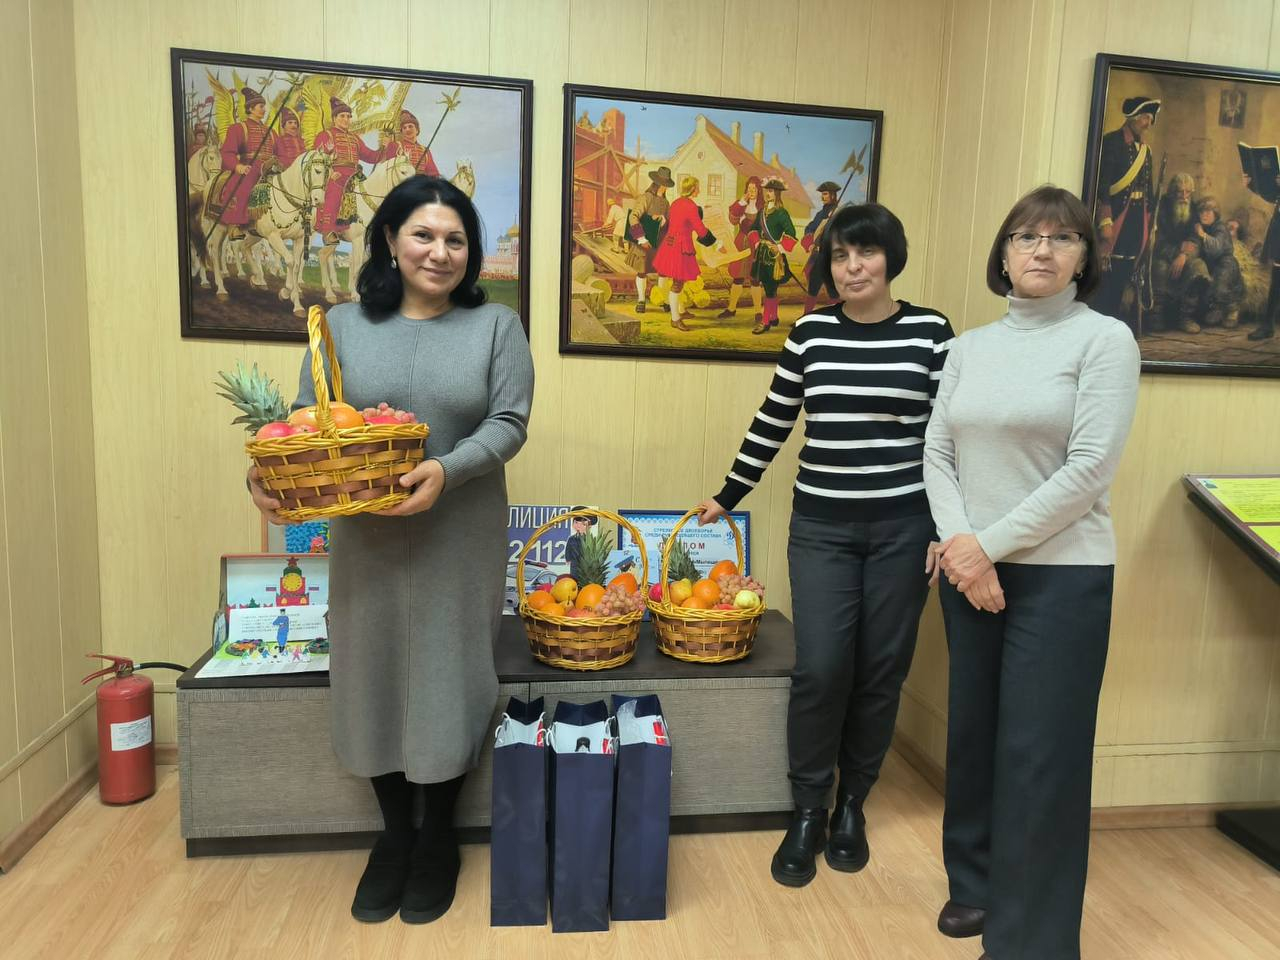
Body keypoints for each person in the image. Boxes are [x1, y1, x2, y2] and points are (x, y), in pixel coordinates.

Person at [247, 175, 535, 926]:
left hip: (459, 531)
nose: (440, 252)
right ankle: (394, 835)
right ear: (389, 240)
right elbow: (304, 424)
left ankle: (438, 836)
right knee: (369, 669)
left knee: (450, 673)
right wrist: (266, 474)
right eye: (423, 235)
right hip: (366, 537)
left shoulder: (496, 327)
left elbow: (509, 421)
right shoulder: (342, 325)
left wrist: (447, 469)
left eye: (456, 240)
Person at [696, 203, 954, 888]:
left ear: (891, 258)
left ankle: (852, 804)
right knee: (822, 669)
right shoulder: (811, 332)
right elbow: (774, 419)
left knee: (880, 670)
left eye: (866, 253)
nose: (852, 267)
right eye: (840, 256)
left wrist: (948, 529)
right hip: (822, 529)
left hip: (905, 528)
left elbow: (949, 437)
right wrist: (728, 495)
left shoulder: (931, 333)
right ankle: (808, 806)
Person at [923, 185, 1140, 960]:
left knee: (1040, 760)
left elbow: (1089, 469)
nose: (1042, 249)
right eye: (1025, 236)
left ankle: (1031, 942)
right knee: (974, 738)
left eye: (1061, 237)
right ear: (1004, 254)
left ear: (1084, 257)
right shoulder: (968, 347)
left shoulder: (1104, 340)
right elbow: (937, 452)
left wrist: (984, 547)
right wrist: (961, 545)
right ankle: (976, 884)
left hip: (1060, 579)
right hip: (968, 572)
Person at [1092, 96, 1160, 330]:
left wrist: (1151, 224)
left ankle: (1113, 322)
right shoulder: (1111, 142)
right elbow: (1103, 185)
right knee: (1108, 270)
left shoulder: (1146, 151)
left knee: (1126, 268)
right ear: (1132, 117)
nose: (1147, 124)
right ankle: (1101, 320)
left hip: (1137, 219)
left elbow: (1149, 190)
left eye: (1150, 119)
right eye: (1144, 118)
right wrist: (1105, 221)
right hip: (1116, 216)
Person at [313, 96, 394, 242]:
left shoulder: (355, 138)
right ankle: (328, 231)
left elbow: (371, 157)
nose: (346, 119)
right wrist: (330, 173)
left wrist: (384, 147)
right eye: (342, 116)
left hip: (354, 176)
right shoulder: (326, 135)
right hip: (334, 175)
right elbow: (317, 159)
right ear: (334, 118)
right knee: (335, 191)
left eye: (348, 116)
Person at [652, 174, 718, 331]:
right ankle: (675, 319)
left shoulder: (676, 202)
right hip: (681, 247)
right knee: (678, 283)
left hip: (669, 245)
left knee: (676, 280)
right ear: (693, 189)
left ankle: (680, 310)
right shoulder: (691, 206)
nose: (699, 190)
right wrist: (716, 243)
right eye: (698, 187)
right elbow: (700, 230)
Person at [216, 87, 276, 241]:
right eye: (261, 106)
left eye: (264, 106)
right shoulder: (238, 128)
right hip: (248, 167)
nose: (264, 109)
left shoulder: (270, 131)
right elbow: (227, 152)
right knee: (242, 186)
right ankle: (234, 225)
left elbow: (280, 152)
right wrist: (238, 166)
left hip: (270, 168)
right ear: (251, 108)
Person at [749, 177, 799, 334]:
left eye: (770, 191)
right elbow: (753, 230)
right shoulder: (761, 212)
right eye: (766, 191)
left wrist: (779, 247)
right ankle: (774, 317)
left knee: (770, 289)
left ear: (777, 194)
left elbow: (791, 233)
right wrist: (756, 243)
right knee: (769, 288)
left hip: (774, 257)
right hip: (761, 255)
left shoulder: (781, 213)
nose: (767, 194)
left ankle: (765, 322)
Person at [719, 175, 765, 322]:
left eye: (754, 188)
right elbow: (733, 220)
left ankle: (758, 312)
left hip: (755, 244)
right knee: (737, 278)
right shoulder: (741, 204)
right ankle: (731, 308)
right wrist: (742, 202)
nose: (751, 191)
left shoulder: (763, 207)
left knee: (755, 279)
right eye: (749, 188)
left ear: (759, 190)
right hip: (740, 243)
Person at [630, 166, 673, 312]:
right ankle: (641, 300)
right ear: (657, 183)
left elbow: (669, 221)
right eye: (663, 184)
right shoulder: (646, 197)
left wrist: (664, 220)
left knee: (663, 271)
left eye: (666, 185)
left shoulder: (666, 203)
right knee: (642, 270)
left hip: (660, 242)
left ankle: (663, 300)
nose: (664, 187)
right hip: (644, 240)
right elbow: (633, 217)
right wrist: (641, 239)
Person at [801, 180, 842, 315]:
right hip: (818, 256)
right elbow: (810, 228)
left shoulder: (839, 213)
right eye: (822, 194)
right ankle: (806, 317)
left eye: (825, 194)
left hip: (831, 257)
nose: (822, 197)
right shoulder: (820, 214)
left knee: (833, 290)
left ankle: (836, 318)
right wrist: (810, 241)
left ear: (832, 195)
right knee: (813, 286)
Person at [395, 109, 441, 176]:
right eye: (404, 128)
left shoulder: (424, 150)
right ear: (401, 132)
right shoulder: (396, 146)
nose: (407, 129)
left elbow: (433, 173)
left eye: (410, 126)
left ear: (417, 130)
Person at [564, 507, 597, 585]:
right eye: (576, 522)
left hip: (585, 564)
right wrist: (568, 558)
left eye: (583, 524)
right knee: (574, 577)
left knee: (585, 578)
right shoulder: (571, 538)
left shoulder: (589, 539)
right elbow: (568, 549)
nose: (579, 525)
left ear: (589, 526)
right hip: (574, 563)